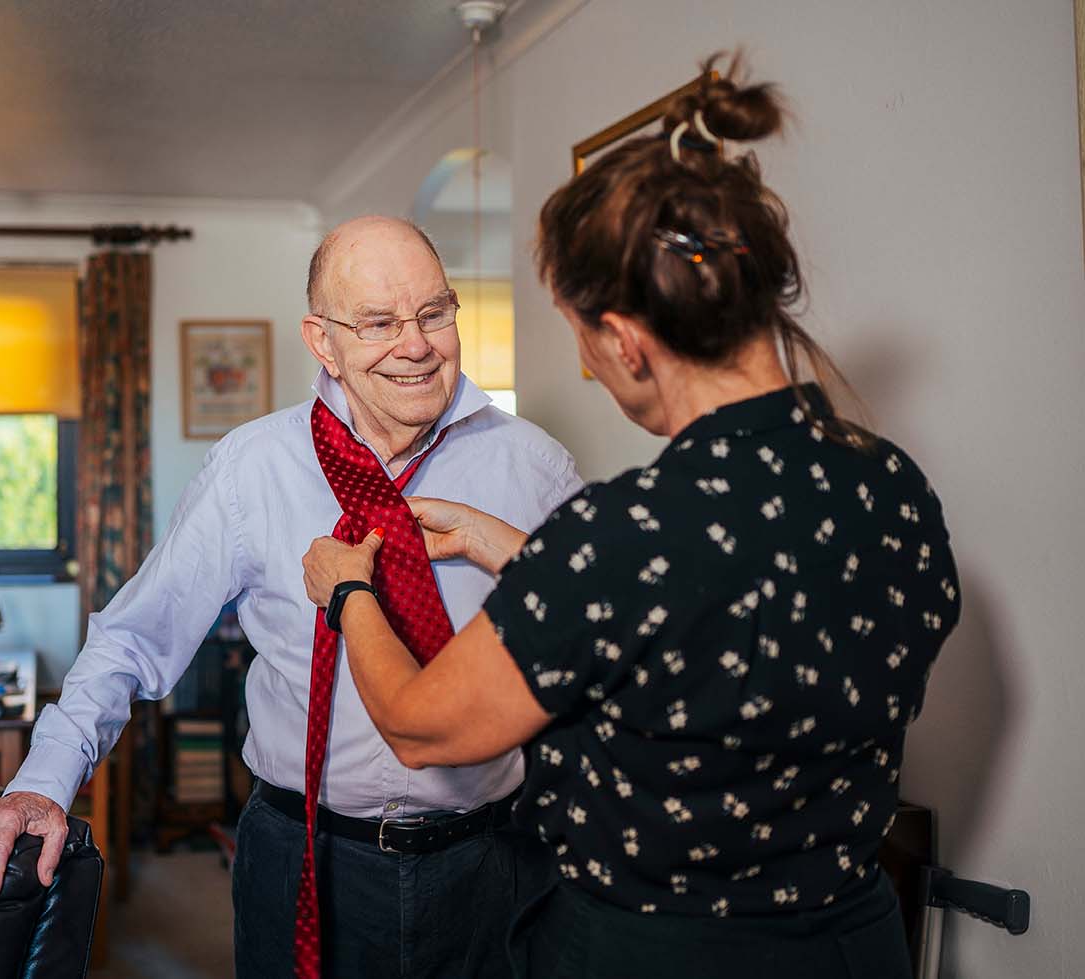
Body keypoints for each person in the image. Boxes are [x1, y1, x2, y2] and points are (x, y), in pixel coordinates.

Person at [301, 57, 959, 979]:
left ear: (623, 339)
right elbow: (714, 621)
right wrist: (512, 548)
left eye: (580, 337)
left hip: (655, 952)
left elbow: (420, 726)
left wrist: (348, 592)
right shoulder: (890, 486)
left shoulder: (623, 535)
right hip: (851, 942)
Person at [0, 215, 584, 978]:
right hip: (304, 853)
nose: (416, 345)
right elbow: (134, 638)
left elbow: (598, 648)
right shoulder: (251, 467)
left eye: (434, 313)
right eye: (377, 323)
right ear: (322, 340)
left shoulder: (534, 469)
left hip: (495, 856)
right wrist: (42, 784)